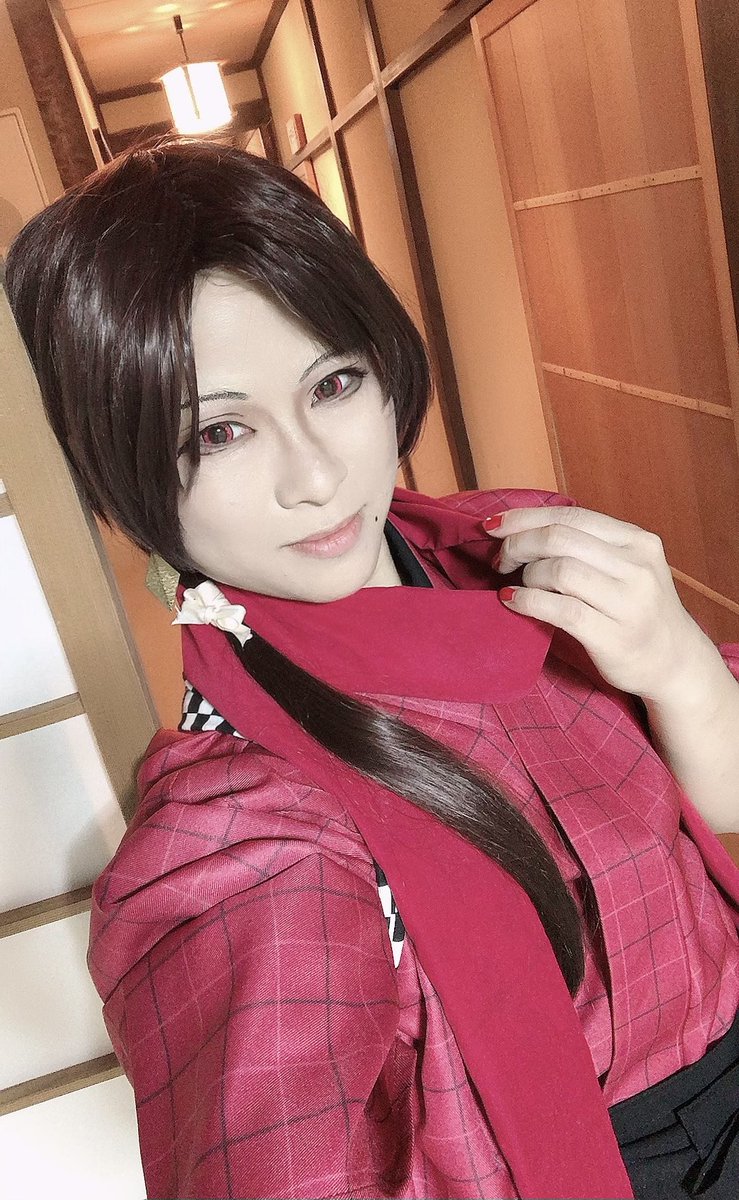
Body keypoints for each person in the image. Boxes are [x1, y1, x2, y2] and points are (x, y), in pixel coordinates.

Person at [5, 136, 739, 1200]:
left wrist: (678, 667)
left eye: (333, 382)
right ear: (118, 472)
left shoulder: (532, 549)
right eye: (219, 434)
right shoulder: (242, 822)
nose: (314, 475)